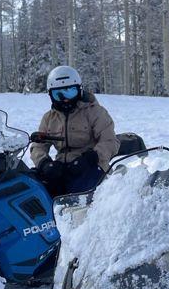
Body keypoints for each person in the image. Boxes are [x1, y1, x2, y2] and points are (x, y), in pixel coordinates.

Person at [30, 65, 120, 197]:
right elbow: (38, 145)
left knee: (80, 197)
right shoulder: (49, 118)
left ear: (79, 90)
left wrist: (92, 157)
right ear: (50, 95)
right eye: (58, 94)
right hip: (61, 169)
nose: (65, 99)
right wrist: (44, 163)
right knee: (33, 189)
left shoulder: (95, 112)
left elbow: (110, 141)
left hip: (90, 166)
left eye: (70, 91)